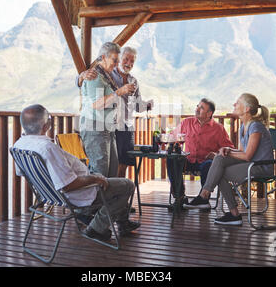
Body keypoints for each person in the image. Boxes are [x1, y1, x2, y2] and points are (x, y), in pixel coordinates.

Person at [13, 104, 140, 241]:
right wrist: (95, 179)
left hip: (52, 195)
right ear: (46, 125)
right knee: (127, 185)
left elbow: (23, 173)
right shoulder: (47, 148)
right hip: (80, 194)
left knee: (116, 187)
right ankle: (96, 227)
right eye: (49, 118)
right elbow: (68, 184)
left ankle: (123, 223)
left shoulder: (19, 145)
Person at [78, 46, 153, 178]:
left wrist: (146, 105)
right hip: (100, 127)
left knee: (119, 165)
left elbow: (136, 105)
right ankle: (101, 197)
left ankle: (116, 195)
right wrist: (80, 76)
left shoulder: (130, 80)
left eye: (132, 61)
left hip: (119, 127)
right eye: (124, 59)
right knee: (102, 170)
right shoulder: (102, 74)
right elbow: (96, 100)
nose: (127, 63)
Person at [200, 93, 273, 226]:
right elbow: (240, 151)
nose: (234, 104)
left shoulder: (255, 127)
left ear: (246, 109)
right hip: (250, 164)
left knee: (219, 171)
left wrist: (227, 151)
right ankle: (207, 194)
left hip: (260, 167)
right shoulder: (243, 126)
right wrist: (224, 151)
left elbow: (247, 156)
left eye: (237, 103)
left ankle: (209, 197)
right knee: (219, 159)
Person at [168, 98, 234, 209]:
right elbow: (173, 137)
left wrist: (216, 153)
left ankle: (203, 199)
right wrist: (171, 141)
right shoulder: (186, 122)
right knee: (172, 160)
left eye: (201, 108)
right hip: (188, 160)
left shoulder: (218, 129)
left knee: (209, 164)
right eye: (197, 106)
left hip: (205, 162)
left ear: (209, 113)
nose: (197, 109)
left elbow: (229, 148)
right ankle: (179, 197)